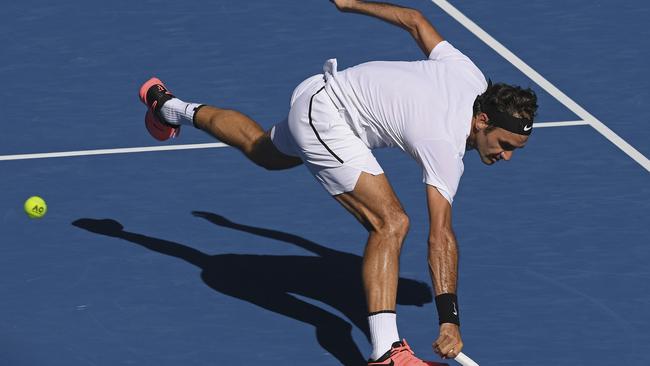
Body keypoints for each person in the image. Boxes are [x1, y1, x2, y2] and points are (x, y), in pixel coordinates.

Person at [138, 0, 538, 364]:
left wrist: (351, 3)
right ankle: (386, 353)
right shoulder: (445, 143)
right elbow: (441, 237)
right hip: (328, 118)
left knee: (264, 152)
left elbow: (416, 21)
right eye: (504, 145)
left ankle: (168, 106)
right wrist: (449, 320)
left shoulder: (470, 76)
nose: (506, 156)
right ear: (483, 120)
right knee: (391, 222)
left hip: (321, 93)